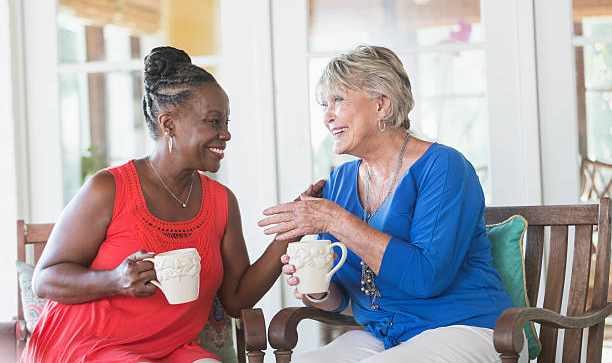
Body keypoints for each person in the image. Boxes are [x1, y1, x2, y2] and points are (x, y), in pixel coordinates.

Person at [23, 46, 321, 363]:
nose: (226, 133)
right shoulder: (108, 189)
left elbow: (236, 300)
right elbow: (45, 279)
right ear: (168, 124)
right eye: (213, 121)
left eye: (226, 122)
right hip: (86, 348)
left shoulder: (221, 202)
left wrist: (292, 231)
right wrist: (115, 280)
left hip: (169, 351)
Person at [258, 45, 528, 363]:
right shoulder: (340, 182)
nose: (327, 116)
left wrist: (335, 219)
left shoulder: (444, 167)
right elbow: (345, 299)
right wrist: (317, 289)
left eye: (338, 100)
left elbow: (427, 277)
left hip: (472, 329)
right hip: (387, 337)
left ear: (382, 105)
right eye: (323, 104)